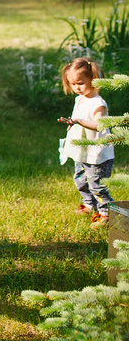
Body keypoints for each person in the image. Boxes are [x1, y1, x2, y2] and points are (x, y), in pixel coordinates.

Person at [58, 57, 114, 230]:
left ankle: (107, 212)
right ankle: (89, 205)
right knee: (80, 179)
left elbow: (98, 125)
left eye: (80, 83)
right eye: (73, 84)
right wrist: (72, 124)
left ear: (93, 79)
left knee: (96, 183)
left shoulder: (98, 104)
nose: (77, 88)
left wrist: (79, 121)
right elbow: (78, 119)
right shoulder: (80, 99)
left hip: (96, 152)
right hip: (82, 150)